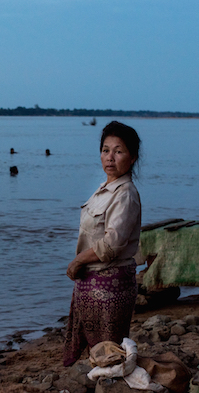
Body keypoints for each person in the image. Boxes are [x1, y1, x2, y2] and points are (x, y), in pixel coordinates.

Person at [62, 121, 142, 367]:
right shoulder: (103, 189)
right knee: (91, 353)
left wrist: (78, 260)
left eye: (118, 151)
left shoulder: (125, 193)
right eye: (106, 150)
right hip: (90, 282)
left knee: (109, 354)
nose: (110, 157)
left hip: (110, 286)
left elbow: (112, 245)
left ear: (132, 158)